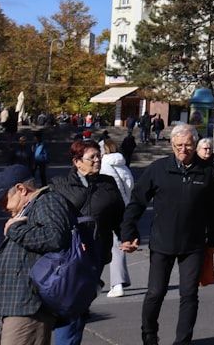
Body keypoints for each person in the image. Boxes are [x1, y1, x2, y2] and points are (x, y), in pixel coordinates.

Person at [120, 123, 214, 345]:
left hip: (194, 244)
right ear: (171, 145)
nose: (183, 150)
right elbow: (137, 201)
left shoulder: (207, 172)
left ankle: (183, 340)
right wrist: (128, 231)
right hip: (162, 242)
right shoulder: (158, 169)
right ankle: (149, 335)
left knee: (189, 295)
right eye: (178, 146)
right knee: (155, 293)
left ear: (195, 145)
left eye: (187, 145)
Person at [51, 139, 125, 345]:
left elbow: (119, 215)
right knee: (72, 305)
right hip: (68, 256)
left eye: (98, 156)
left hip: (96, 255)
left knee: (79, 305)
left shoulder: (107, 184)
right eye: (91, 157)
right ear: (77, 162)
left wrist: (127, 235)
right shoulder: (60, 185)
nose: (97, 160)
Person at [0, 164, 76, 345]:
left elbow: (54, 237)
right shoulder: (33, 207)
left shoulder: (47, 201)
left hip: (29, 307)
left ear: (21, 189)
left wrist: (15, 229)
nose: (2, 207)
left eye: (3, 199)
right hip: (18, 306)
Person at [100, 139, 135, 297]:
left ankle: (117, 283)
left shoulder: (105, 166)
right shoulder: (123, 166)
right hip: (125, 209)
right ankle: (118, 281)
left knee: (111, 247)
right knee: (118, 246)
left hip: (109, 210)